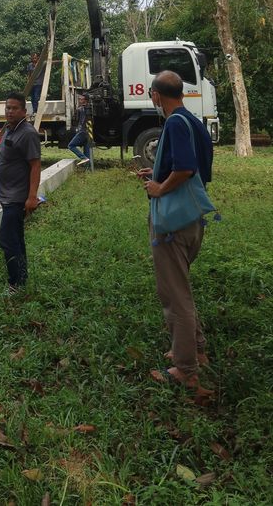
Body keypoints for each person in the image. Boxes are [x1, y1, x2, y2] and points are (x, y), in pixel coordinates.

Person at [138, 70, 214, 394]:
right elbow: (197, 170)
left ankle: (186, 370)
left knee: (174, 296)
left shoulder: (173, 123)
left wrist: (159, 187)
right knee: (180, 288)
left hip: (173, 225)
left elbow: (185, 169)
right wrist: (157, 172)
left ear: (156, 95)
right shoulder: (194, 122)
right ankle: (196, 349)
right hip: (192, 219)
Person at [0, 92, 41, 295]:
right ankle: (22, 278)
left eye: (14, 108)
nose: (10, 111)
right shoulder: (10, 128)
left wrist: (32, 197)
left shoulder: (27, 133)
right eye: (8, 108)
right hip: (7, 195)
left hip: (17, 197)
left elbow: (35, 165)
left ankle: (16, 284)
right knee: (16, 238)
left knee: (7, 239)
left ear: (24, 111)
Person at [67, 94, 91, 167]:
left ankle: (83, 158)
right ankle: (88, 168)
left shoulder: (82, 109)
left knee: (71, 145)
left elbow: (78, 120)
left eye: (81, 99)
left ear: (85, 100)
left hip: (82, 131)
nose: (80, 100)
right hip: (88, 132)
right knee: (87, 150)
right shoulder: (90, 108)